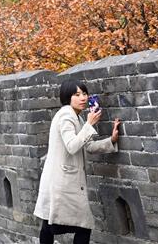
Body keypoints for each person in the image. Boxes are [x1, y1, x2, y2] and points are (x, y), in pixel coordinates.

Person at [34, 81, 120, 244]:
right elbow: (72, 146)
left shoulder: (76, 116)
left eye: (84, 94)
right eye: (77, 94)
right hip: (62, 182)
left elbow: (88, 146)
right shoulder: (66, 115)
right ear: (67, 98)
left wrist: (112, 140)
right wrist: (89, 124)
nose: (83, 98)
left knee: (48, 223)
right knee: (83, 225)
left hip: (59, 180)